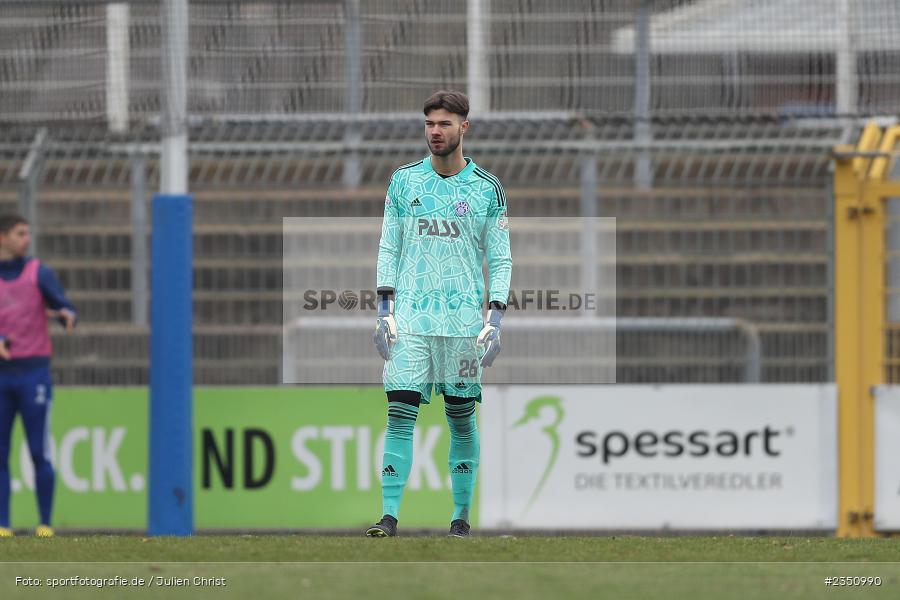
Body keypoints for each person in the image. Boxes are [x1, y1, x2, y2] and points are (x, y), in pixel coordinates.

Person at [368, 90, 512, 538]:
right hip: (410, 320)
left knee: (461, 416)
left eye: (445, 123)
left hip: (464, 326)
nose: (435, 131)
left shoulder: (486, 189)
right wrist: (385, 309)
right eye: (430, 123)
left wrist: (494, 319)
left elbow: (501, 259)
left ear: (463, 127)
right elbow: (389, 245)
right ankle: (389, 517)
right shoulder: (404, 182)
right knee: (399, 412)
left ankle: (460, 519)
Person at [0, 214, 76, 538]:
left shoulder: (39, 273)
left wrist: (67, 315)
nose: (26, 239)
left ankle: (44, 523)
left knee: (39, 451)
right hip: (2, 377)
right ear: (2, 237)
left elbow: (65, 307)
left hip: (33, 374)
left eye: (28, 233)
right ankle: (3, 525)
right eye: (20, 234)